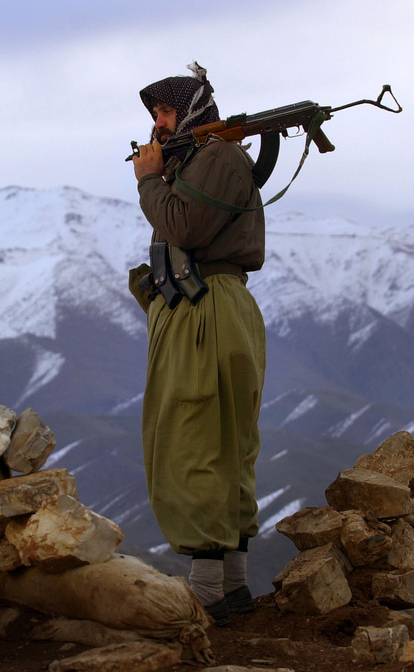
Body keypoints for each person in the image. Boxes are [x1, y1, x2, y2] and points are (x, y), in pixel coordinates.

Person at [128, 62, 267, 626]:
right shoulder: (206, 159)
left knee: (194, 435)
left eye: (165, 112)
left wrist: (148, 178)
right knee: (223, 437)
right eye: (155, 115)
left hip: (207, 309)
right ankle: (230, 585)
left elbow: (182, 228)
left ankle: (206, 589)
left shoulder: (218, 158)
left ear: (190, 111)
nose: (158, 124)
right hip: (209, 305)